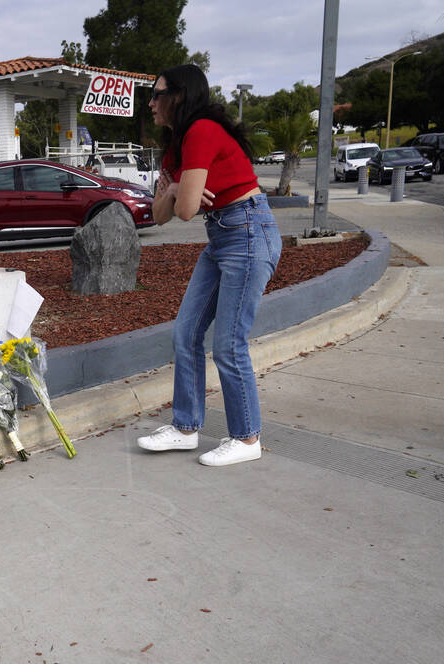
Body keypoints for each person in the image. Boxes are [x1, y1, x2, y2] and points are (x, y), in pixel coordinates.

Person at [136, 64, 282, 466]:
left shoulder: (201, 130)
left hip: (249, 232)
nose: (150, 103)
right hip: (223, 236)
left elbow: (180, 208)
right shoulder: (176, 144)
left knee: (228, 344)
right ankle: (185, 429)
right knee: (185, 332)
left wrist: (180, 194)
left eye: (157, 93)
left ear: (179, 96)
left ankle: (247, 438)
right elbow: (160, 213)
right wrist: (180, 194)